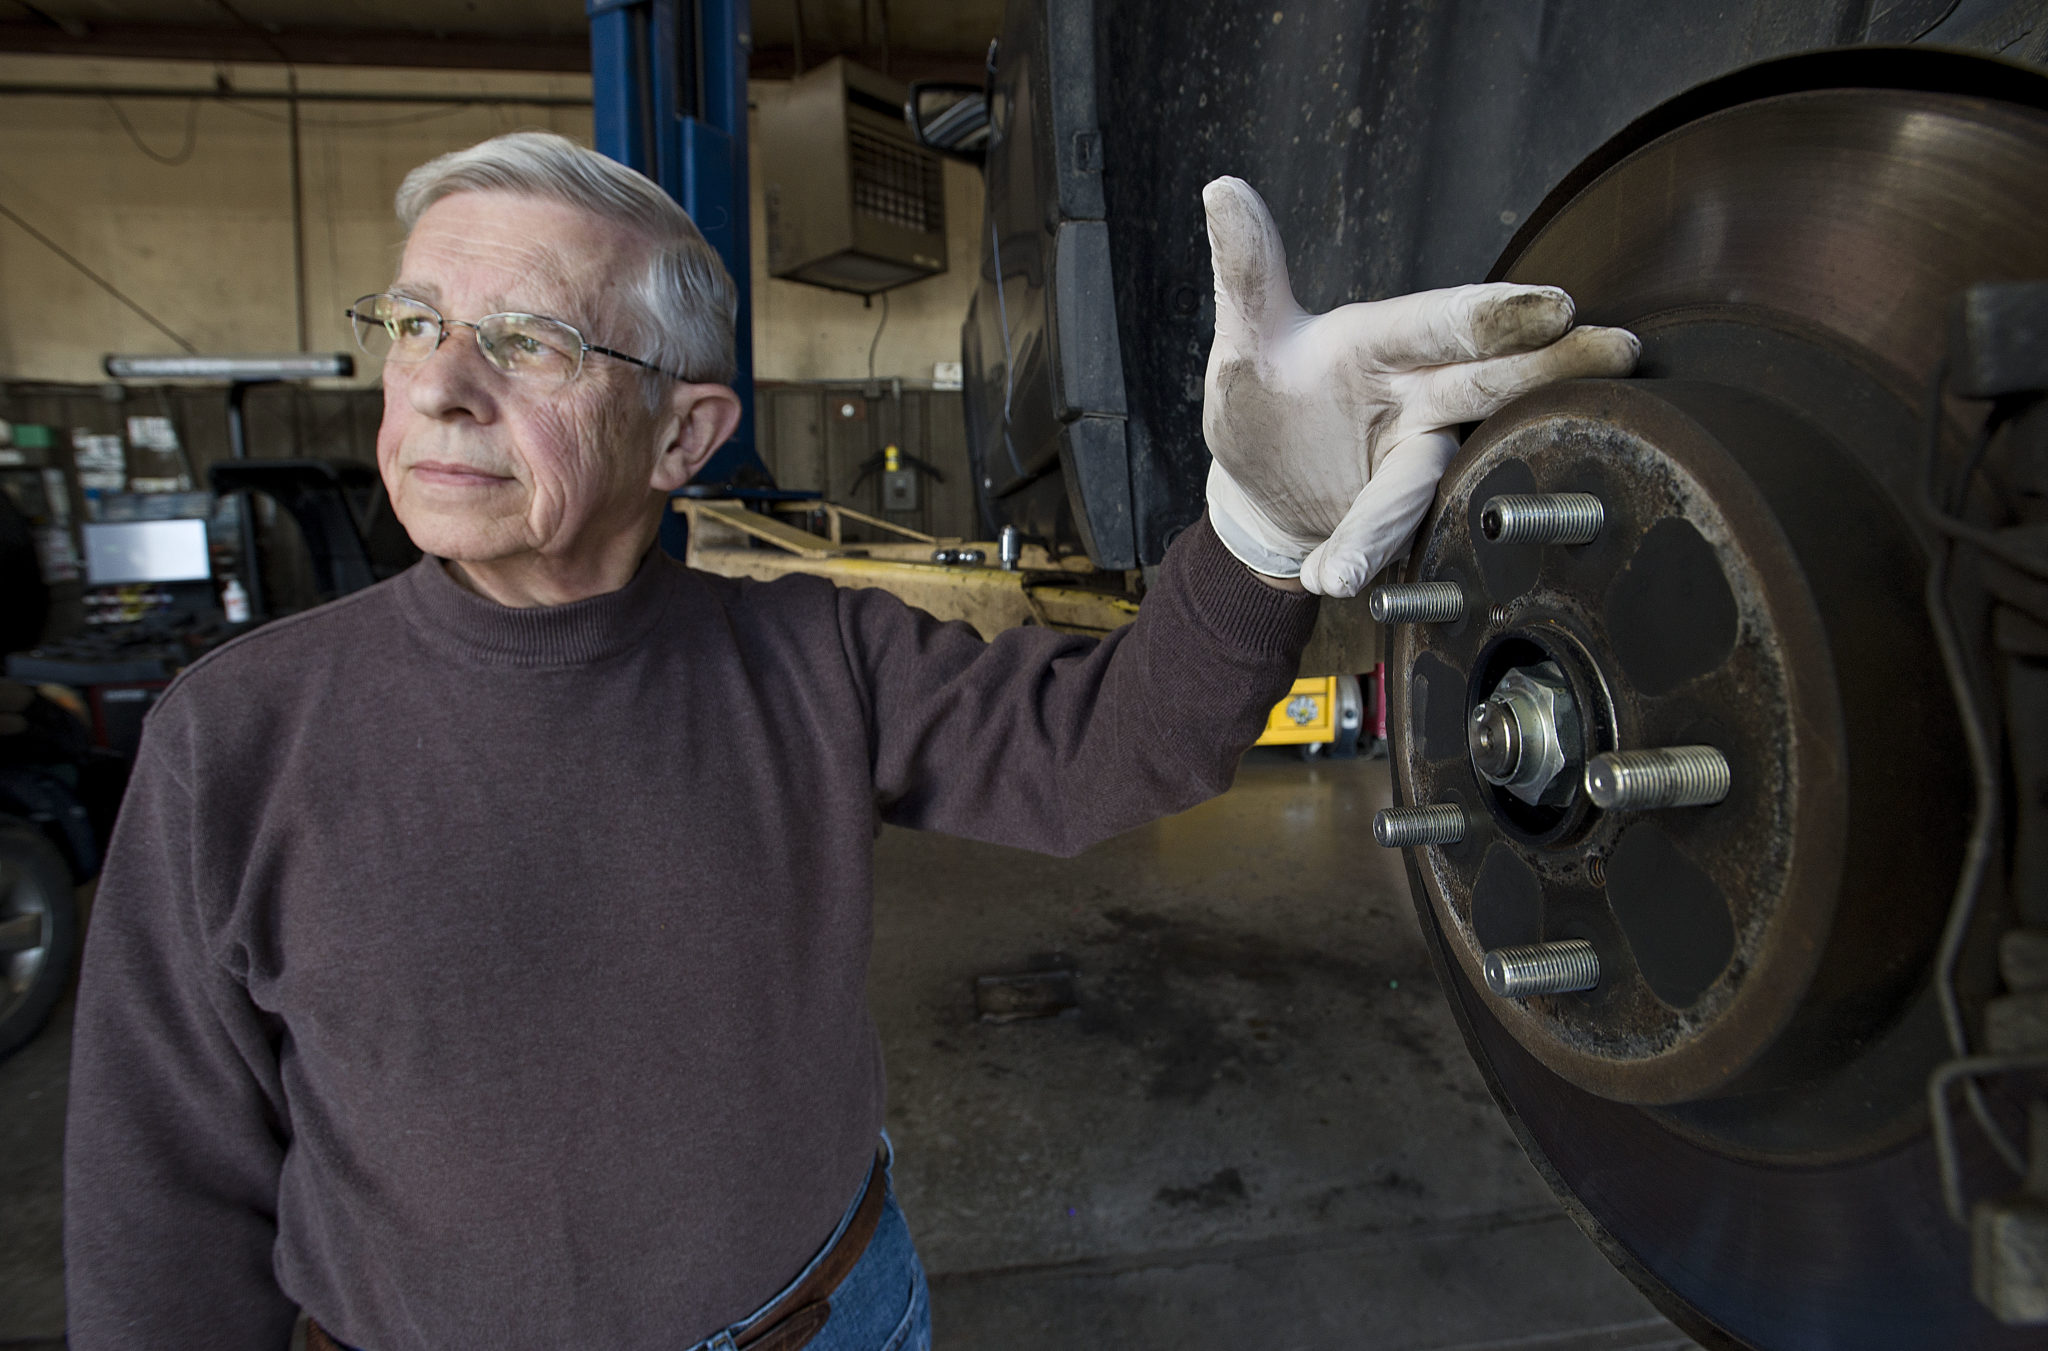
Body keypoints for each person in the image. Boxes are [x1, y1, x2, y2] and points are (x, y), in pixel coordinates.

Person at [63, 132, 1634, 1350]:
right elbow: (162, 1192)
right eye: (415, 323)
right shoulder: (239, 737)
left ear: (686, 432)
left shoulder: (808, 656)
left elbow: (1112, 752)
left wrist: (1257, 525)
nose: (443, 386)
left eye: (530, 342)